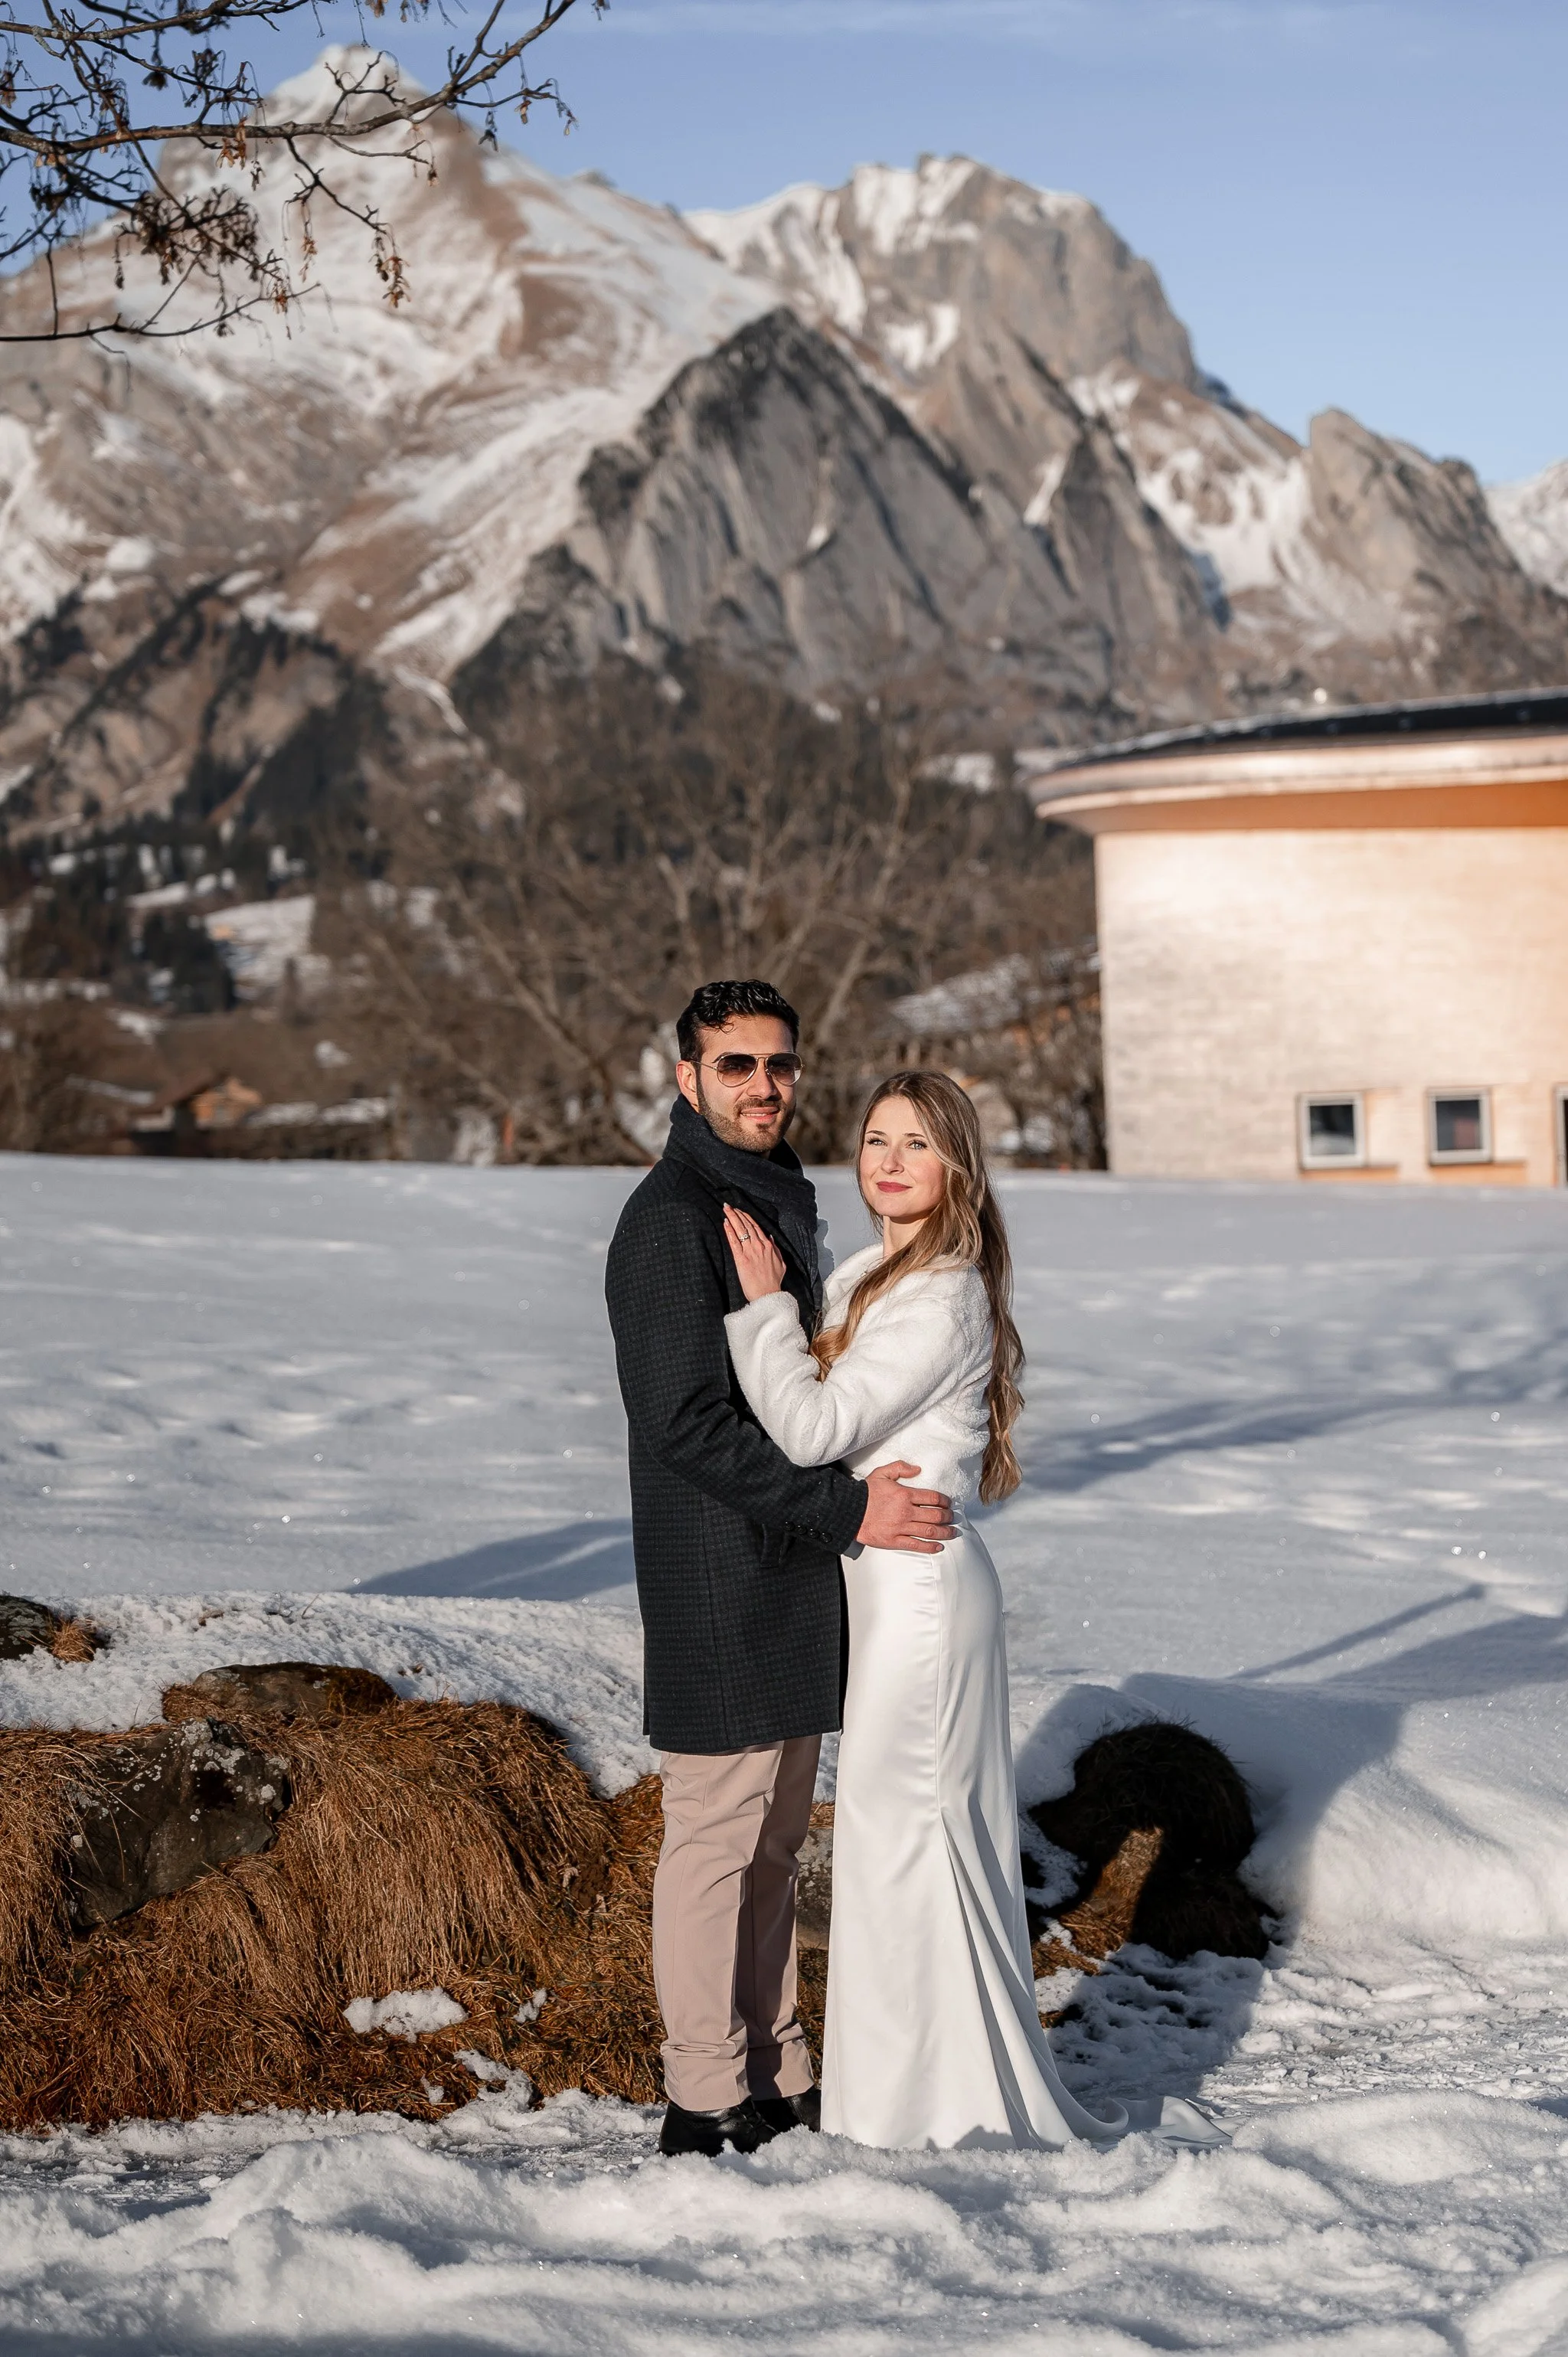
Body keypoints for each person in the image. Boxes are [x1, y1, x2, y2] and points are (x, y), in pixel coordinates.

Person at [721, 1069, 1228, 2152]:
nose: (888, 1159)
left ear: (957, 1166)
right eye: (873, 1139)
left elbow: (813, 1430)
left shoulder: (942, 1289)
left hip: (920, 1593)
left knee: (909, 1838)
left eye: (916, 1141)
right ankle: (913, 2095)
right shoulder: (883, 1275)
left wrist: (762, 1307)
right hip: (890, 1577)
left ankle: (928, 2108)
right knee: (903, 1838)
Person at [603, 983, 957, 2160]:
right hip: (721, 1583)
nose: (765, 1085)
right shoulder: (669, 1222)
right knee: (713, 1840)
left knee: (770, 1844)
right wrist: (850, 1510)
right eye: (737, 1064)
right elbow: (686, 1426)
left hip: (791, 1575)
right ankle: (703, 2094)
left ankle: (778, 2065)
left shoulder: (771, 1203)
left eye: (781, 1065)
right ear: (687, 1079)